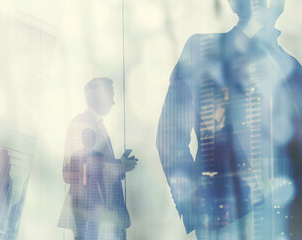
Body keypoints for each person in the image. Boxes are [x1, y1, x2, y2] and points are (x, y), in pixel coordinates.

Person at [157, 0, 302, 239]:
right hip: (225, 216)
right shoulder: (203, 50)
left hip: (288, 219)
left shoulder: (294, 70)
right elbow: (170, 134)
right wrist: (194, 202)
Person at [59, 77, 138, 240]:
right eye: (111, 96)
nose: (113, 102)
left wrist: (119, 165)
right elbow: (80, 169)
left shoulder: (95, 125)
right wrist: (121, 165)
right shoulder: (81, 123)